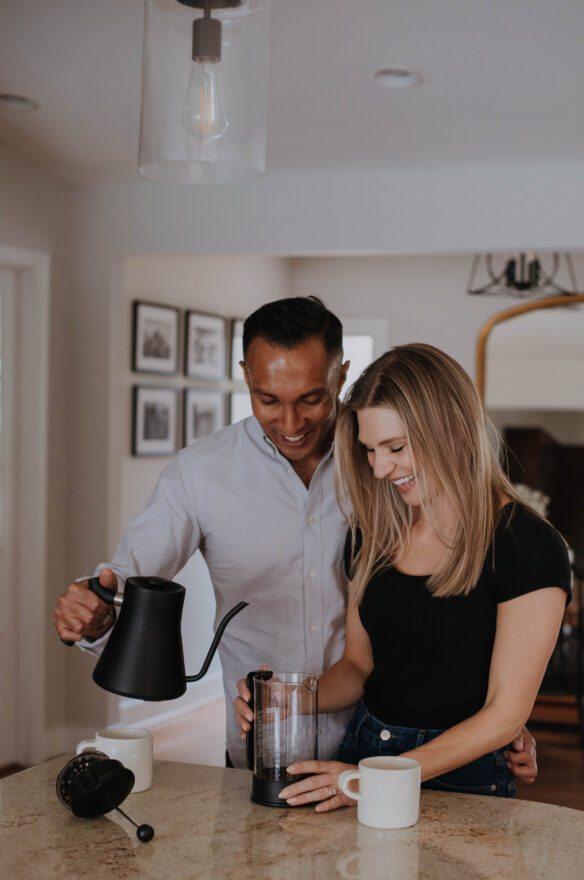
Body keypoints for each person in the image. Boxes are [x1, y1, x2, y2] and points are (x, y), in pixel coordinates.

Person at [54, 297, 538, 780]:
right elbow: (125, 584)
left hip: (373, 745)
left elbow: (459, 604)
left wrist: (497, 721)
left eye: (311, 398)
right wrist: (95, 618)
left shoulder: (388, 465)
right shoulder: (199, 474)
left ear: (341, 374)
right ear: (245, 376)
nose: (290, 424)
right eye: (269, 400)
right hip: (261, 747)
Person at [235, 343, 570, 808]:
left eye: (395, 447)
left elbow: (505, 713)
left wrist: (377, 779)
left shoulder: (528, 546)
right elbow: (359, 666)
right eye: (370, 450)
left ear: (451, 429)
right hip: (362, 751)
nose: (379, 467)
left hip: (462, 775)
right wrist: (289, 697)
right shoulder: (370, 536)